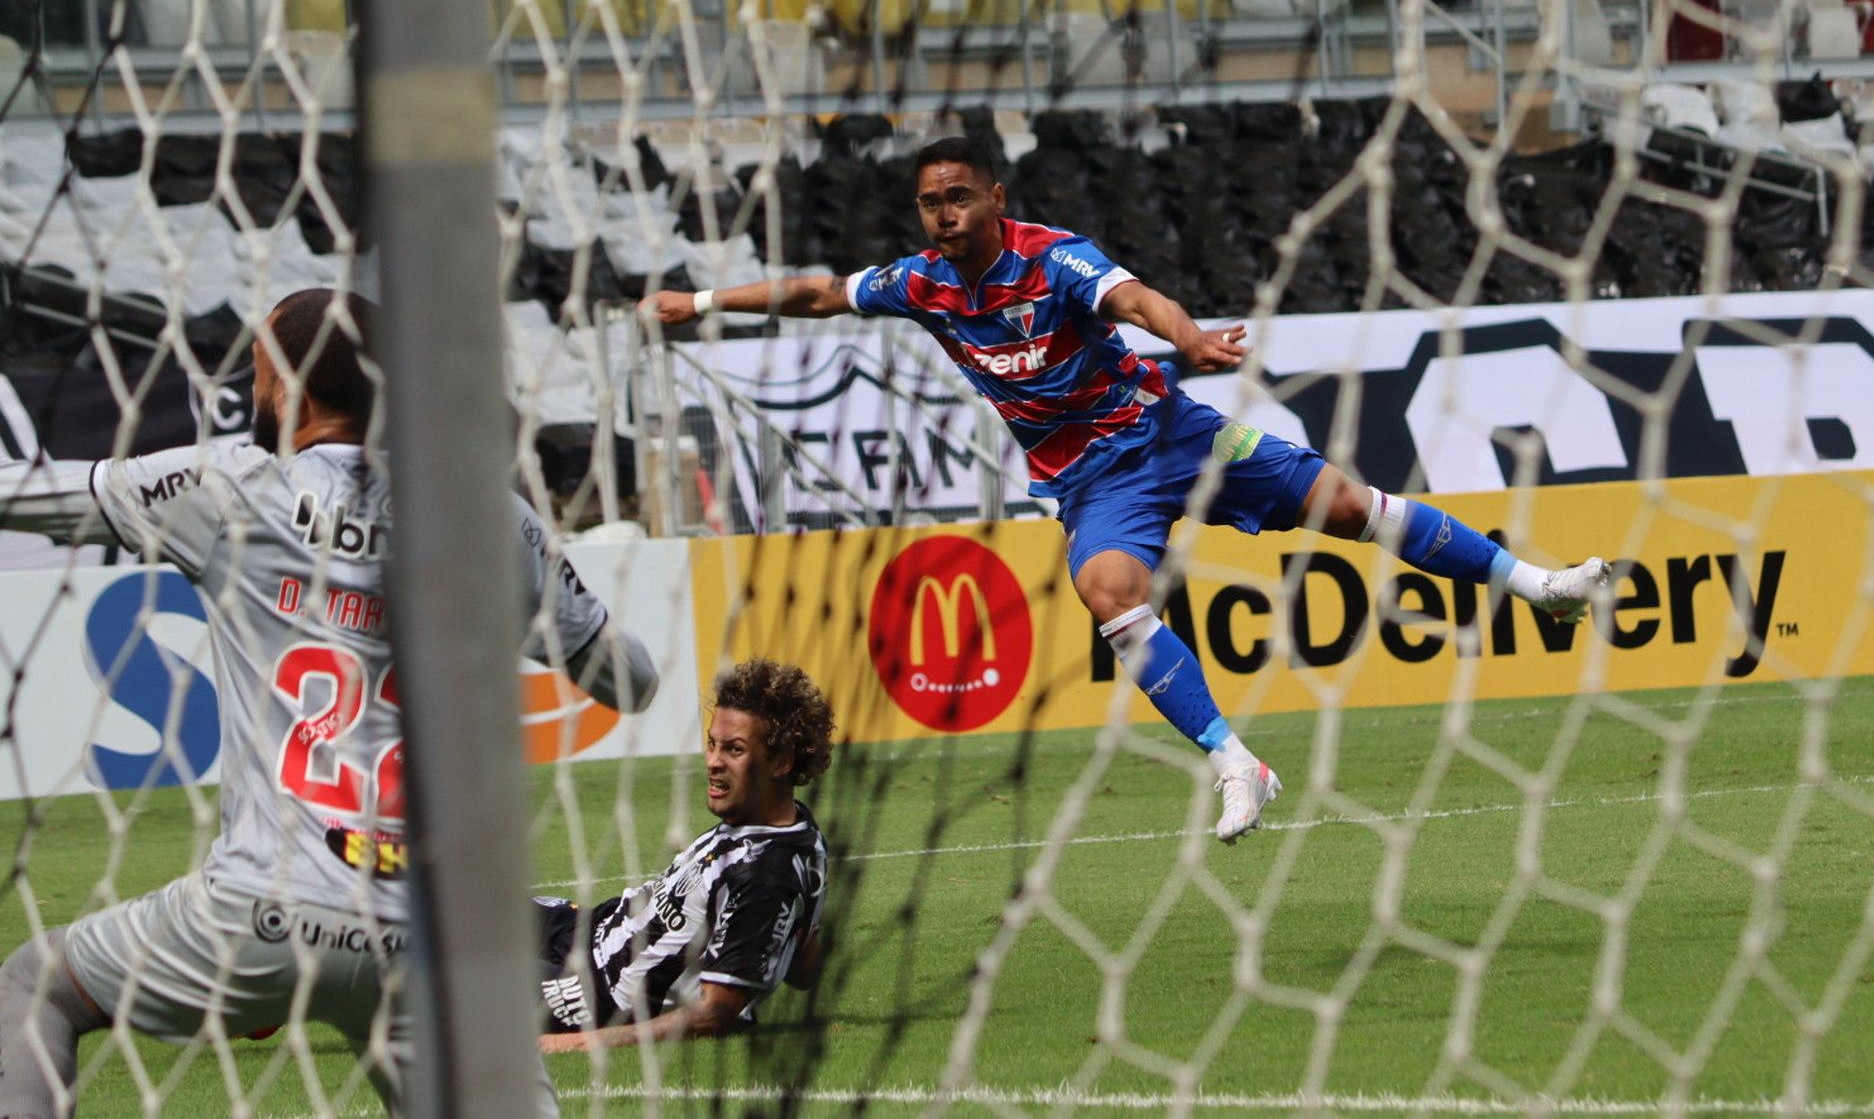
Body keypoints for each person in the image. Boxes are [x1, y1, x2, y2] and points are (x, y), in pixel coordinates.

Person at [642, 137, 1609, 844]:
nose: (944, 214)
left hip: (1172, 430)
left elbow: (1135, 300)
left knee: (1350, 507)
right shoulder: (923, 282)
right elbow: (819, 291)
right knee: (1109, 592)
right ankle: (1239, 763)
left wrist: (1185, 341)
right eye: (931, 201)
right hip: (1092, 479)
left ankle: (1537, 586)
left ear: (995, 196)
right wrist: (703, 304)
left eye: (960, 197)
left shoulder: (1052, 253)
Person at [0, 288, 658, 1117]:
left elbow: (42, 496)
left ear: (292, 387)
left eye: (258, 370)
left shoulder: (227, 487)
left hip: (265, 910)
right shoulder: (485, 517)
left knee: (36, 983)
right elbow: (632, 680)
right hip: (430, 938)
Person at [533, 658, 831, 1051]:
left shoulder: (765, 875)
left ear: (782, 761)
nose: (713, 762)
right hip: (592, 931)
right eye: (712, 744)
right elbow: (805, 972)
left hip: (599, 994)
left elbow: (714, 1016)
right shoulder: (782, 826)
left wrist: (570, 1045)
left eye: (734, 750)